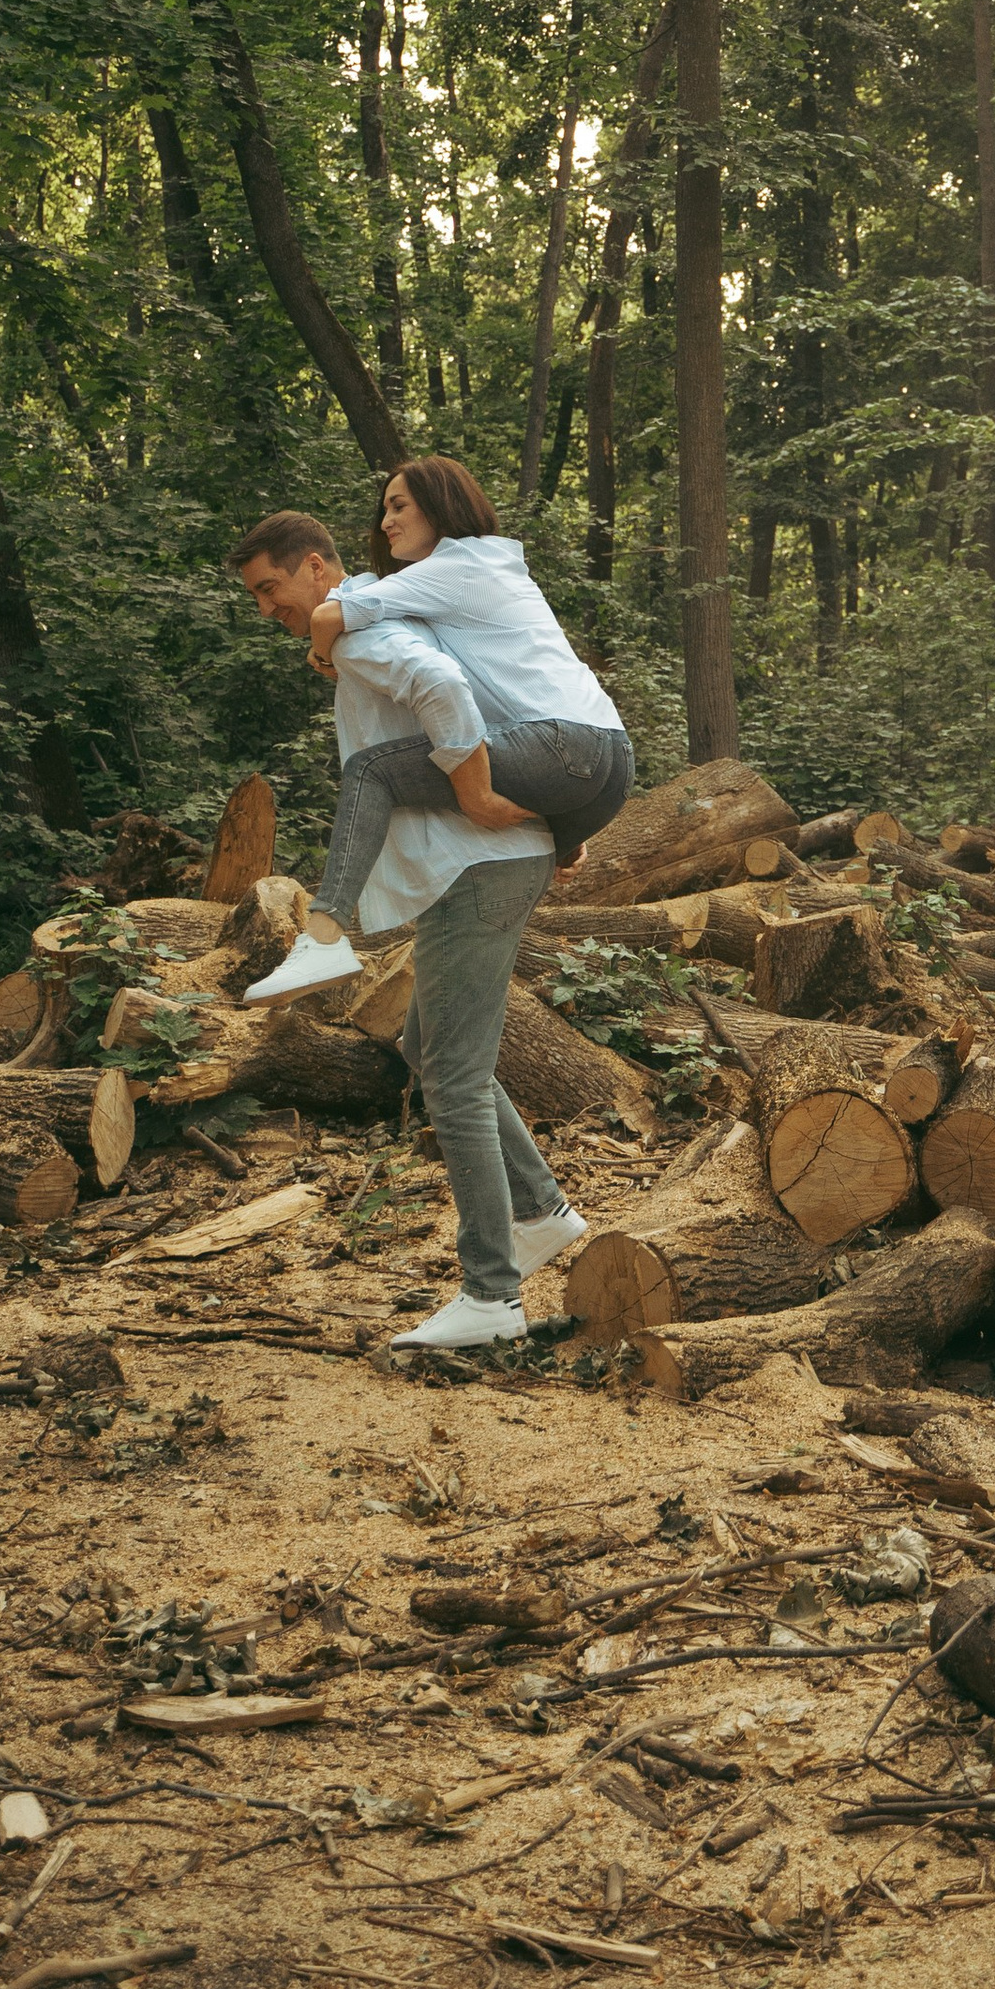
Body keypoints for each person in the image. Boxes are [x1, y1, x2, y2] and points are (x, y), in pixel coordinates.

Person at [230, 507, 592, 1353]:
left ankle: (493, 1295)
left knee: (454, 1080)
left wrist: (477, 801)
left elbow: (447, 691)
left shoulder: (362, 631)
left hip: (481, 867)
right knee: (428, 1047)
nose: (264, 608)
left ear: (317, 569)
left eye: (270, 588)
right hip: (482, 864)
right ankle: (541, 1213)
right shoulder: (367, 623)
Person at [256, 456, 633, 1001]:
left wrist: (323, 653)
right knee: (441, 1057)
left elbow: (331, 616)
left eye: (399, 505)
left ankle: (324, 936)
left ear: (442, 503)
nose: (385, 521)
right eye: (385, 507)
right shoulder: (487, 567)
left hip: (562, 744)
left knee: (371, 771)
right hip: (606, 759)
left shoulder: (457, 565)